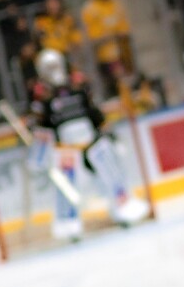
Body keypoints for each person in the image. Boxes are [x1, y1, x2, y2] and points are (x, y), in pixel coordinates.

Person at [29, 48, 151, 241]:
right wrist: (40, 156)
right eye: (48, 67)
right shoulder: (41, 97)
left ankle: (122, 207)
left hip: (92, 142)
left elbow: (94, 112)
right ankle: (68, 223)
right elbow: (42, 129)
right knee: (67, 187)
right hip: (66, 149)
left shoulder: (78, 85)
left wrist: (110, 136)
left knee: (112, 175)